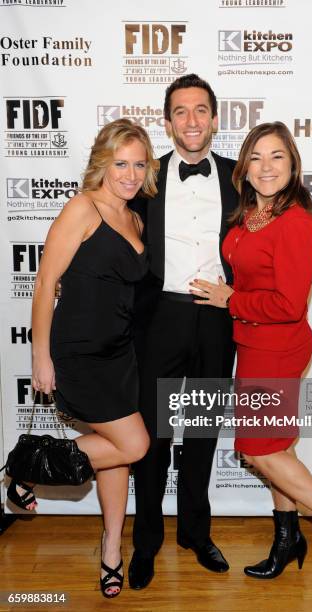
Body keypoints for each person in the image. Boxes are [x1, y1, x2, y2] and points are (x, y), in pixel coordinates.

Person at [128, 74, 312, 589]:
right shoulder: (146, 177)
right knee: (153, 437)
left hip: (220, 322)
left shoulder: (239, 178)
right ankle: (147, 542)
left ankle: (196, 534)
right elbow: (109, 226)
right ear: (168, 120)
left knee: (200, 435)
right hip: (159, 321)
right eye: (181, 111)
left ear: (215, 119)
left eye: (201, 110)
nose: (192, 121)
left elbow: (280, 220)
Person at [189, 121, 312, 584]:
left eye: (276, 156)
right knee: (275, 446)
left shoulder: (294, 218)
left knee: (259, 450)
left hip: (276, 346)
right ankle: (287, 538)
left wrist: (229, 300)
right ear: (244, 168)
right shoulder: (249, 214)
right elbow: (262, 267)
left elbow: (289, 303)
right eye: (255, 157)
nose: (265, 166)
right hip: (253, 343)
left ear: (293, 163)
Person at [9, 119, 158, 598]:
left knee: (113, 452)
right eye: (121, 163)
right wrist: (40, 355)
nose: (130, 174)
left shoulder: (136, 218)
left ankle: (112, 547)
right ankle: (26, 467)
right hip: (80, 352)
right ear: (102, 163)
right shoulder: (83, 207)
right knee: (134, 445)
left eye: (139, 164)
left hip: (121, 353)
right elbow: (44, 281)